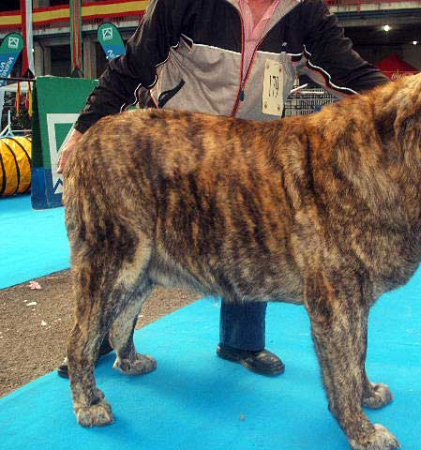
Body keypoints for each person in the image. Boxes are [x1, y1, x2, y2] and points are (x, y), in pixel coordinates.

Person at [56, 0, 389, 379]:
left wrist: (409, 102)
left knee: (255, 239)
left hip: (252, 151)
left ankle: (241, 342)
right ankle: (100, 341)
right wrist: (85, 127)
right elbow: (134, 65)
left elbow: (348, 72)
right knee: (127, 248)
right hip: (175, 151)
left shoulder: (306, 11)